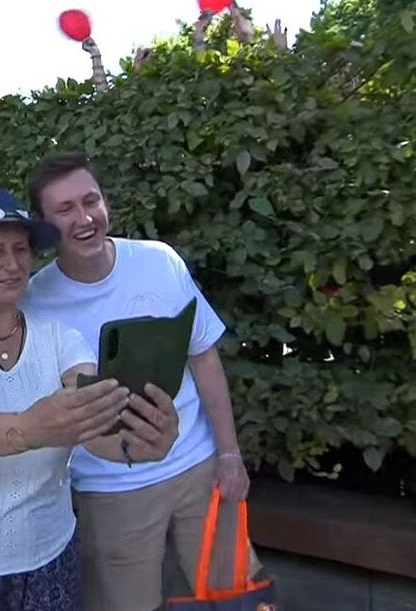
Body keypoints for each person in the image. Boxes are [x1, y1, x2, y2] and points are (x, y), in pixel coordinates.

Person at [0, 187, 180, 611]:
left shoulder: (59, 338)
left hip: (49, 559)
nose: (12, 264)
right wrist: (30, 428)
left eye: (21, 249)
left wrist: (135, 443)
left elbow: (90, 420)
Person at [23, 153, 263, 611]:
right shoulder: (34, 301)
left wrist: (230, 454)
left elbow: (205, 359)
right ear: (43, 224)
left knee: (240, 601)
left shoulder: (159, 261)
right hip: (110, 492)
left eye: (90, 200)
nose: (85, 217)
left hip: (199, 470)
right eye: (65, 209)